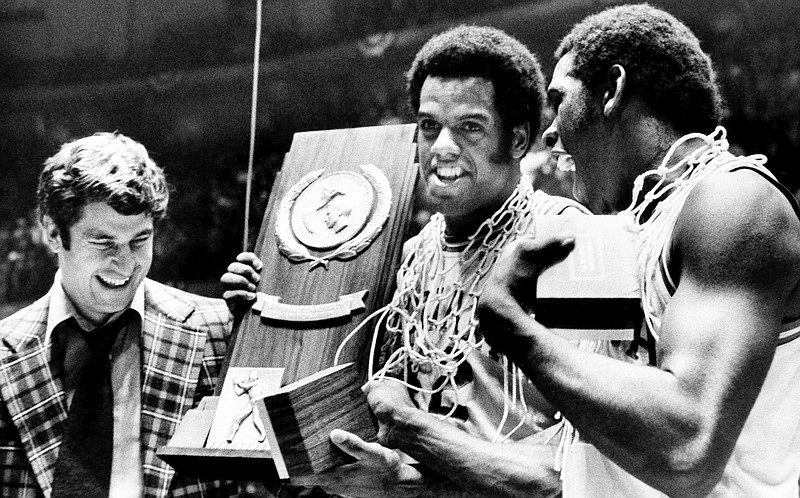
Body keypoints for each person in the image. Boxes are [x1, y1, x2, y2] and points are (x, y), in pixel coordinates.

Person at [222, 25, 589, 497]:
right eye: (430, 126)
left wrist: (407, 440)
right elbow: (390, 426)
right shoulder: (416, 254)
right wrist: (260, 322)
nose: (441, 147)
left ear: (518, 140)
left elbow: (566, 468)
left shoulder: (563, 240)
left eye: (470, 127)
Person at [477, 4, 800, 497]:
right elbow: (571, 461)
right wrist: (407, 456)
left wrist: (512, 329)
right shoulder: (633, 227)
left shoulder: (732, 203)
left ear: (612, 91)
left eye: (559, 99)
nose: (548, 132)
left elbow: (686, 450)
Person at [0, 132, 238, 497]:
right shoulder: (3, 355)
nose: (125, 263)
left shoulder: (220, 332)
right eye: (103, 242)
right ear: (51, 232)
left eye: (139, 240)